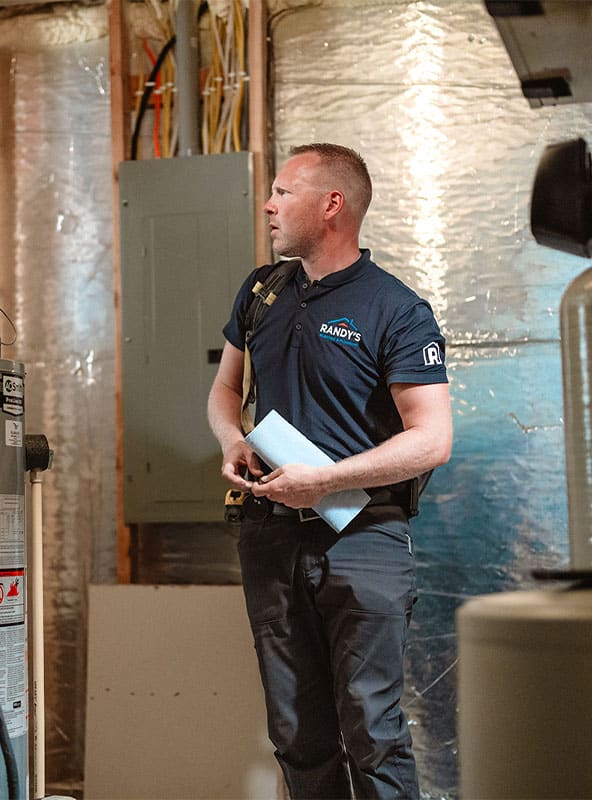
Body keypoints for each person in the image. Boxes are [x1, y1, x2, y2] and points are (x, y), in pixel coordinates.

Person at [207, 143, 452, 799]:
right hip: (271, 536)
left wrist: (326, 481)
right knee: (297, 737)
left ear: (332, 205)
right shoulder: (261, 291)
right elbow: (225, 388)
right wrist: (232, 438)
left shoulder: (396, 309)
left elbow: (432, 439)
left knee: (373, 734)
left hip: (363, 541)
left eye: (284, 192)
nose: (268, 205)